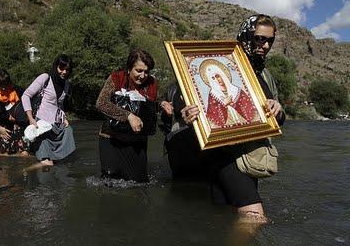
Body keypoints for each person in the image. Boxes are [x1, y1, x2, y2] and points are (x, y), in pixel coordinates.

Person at [160, 14, 285, 221]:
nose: (265, 45)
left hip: (249, 154)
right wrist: (186, 114)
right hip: (218, 151)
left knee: (223, 214)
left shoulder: (265, 75)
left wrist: (277, 110)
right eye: (259, 38)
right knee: (254, 216)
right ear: (247, 35)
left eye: (270, 40)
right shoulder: (220, 60)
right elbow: (184, 105)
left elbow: (276, 121)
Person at [96, 49, 158, 183]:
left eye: (146, 72)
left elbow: (152, 109)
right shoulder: (116, 78)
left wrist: (163, 105)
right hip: (111, 139)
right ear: (129, 69)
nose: (143, 75)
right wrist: (128, 116)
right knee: (110, 182)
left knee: (139, 183)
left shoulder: (152, 83)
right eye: (139, 71)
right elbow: (101, 103)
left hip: (137, 142)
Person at [22, 54, 76, 166]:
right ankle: (23, 171)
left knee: (61, 160)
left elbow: (59, 105)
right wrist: (31, 118)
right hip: (41, 126)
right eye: (61, 68)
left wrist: (64, 118)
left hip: (56, 124)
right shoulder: (45, 77)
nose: (64, 72)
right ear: (56, 66)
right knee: (48, 163)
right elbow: (26, 95)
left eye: (67, 70)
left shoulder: (67, 84)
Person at [199, 59, 257, 128]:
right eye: (213, 78)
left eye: (217, 76)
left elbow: (251, 109)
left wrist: (235, 105)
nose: (217, 80)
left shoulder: (237, 91)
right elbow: (212, 117)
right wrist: (224, 104)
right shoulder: (213, 96)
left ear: (222, 74)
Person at [0, 69, 29, 155]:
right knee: (2, 154)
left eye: (6, 84)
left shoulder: (18, 90)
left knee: (23, 153)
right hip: (2, 127)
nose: (4, 88)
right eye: (1, 85)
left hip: (19, 125)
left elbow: (28, 103)